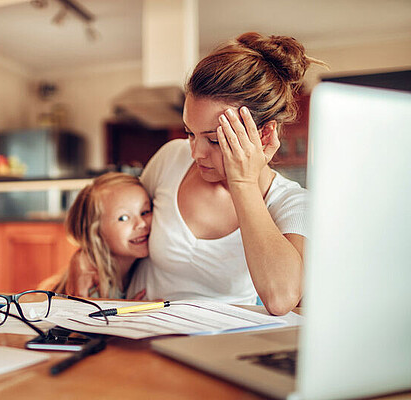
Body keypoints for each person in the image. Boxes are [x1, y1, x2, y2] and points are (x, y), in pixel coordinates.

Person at [67, 32, 325, 315]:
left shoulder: (292, 203)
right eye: (190, 133)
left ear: (263, 134)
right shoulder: (172, 157)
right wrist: (84, 256)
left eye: (214, 140)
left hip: (215, 343)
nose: (195, 152)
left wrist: (243, 182)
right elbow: (118, 218)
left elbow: (280, 298)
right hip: (136, 327)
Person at [42, 172, 152, 299]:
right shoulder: (92, 284)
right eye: (123, 218)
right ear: (95, 231)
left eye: (145, 212)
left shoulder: (136, 264)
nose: (141, 223)